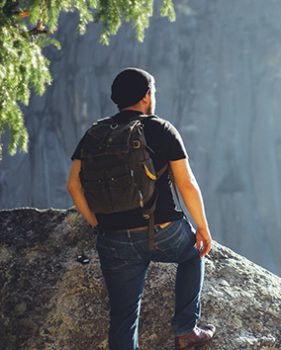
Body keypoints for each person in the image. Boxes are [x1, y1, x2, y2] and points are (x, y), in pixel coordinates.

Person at [66, 67, 216, 350]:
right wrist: (203, 229)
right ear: (147, 96)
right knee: (193, 253)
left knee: (123, 318)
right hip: (162, 231)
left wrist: (98, 224)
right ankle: (185, 329)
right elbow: (187, 184)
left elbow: (73, 185)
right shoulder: (160, 128)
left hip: (113, 238)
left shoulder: (95, 133)